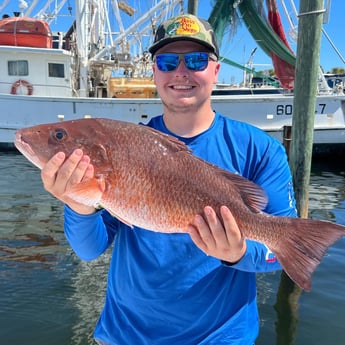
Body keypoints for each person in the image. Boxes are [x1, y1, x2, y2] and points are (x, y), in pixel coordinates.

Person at [41, 14, 297, 345]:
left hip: (220, 337)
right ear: (154, 72)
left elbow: (280, 253)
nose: (181, 72)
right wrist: (77, 202)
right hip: (125, 335)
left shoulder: (261, 150)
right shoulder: (124, 146)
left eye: (196, 60)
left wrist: (238, 252)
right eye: (166, 61)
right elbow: (90, 250)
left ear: (215, 70)